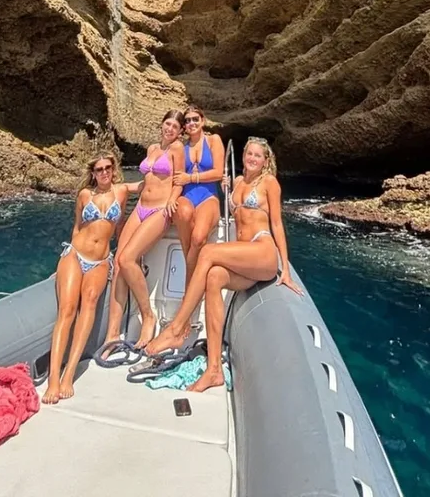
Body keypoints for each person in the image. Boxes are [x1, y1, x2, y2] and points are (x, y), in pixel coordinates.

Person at [145, 136, 302, 391]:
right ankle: (214, 370)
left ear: (265, 161)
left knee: (207, 253)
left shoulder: (269, 183)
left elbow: (276, 224)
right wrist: (227, 190)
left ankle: (177, 328)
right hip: (245, 258)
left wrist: (285, 270)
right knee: (214, 277)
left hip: (262, 251)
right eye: (249, 154)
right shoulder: (238, 182)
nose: (252, 158)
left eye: (257, 156)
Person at [42, 153, 138, 403]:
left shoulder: (121, 192)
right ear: (93, 173)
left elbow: (121, 226)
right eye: (99, 169)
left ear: (113, 169)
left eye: (108, 168)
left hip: (101, 259)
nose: (104, 172)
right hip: (75, 254)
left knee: (91, 303)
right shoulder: (85, 195)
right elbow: (77, 226)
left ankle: (69, 374)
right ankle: (53, 379)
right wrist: (64, 261)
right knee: (67, 310)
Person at [104, 110, 186, 349]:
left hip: (160, 210)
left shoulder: (177, 149)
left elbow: (179, 179)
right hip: (141, 207)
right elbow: (146, 183)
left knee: (129, 258)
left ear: (180, 131)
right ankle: (112, 333)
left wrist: (174, 198)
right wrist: (121, 187)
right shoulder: (152, 149)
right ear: (161, 124)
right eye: (167, 124)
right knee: (119, 261)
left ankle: (147, 315)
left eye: (175, 126)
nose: (170, 129)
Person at [173, 105, 225, 286]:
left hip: (208, 196)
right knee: (183, 214)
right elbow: (176, 176)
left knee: (198, 238)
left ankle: (189, 282)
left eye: (195, 119)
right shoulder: (180, 147)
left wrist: (191, 177)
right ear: (184, 127)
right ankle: (192, 281)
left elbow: (218, 172)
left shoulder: (213, 140)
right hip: (186, 195)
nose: (191, 123)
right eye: (187, 121)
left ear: (203, 121)